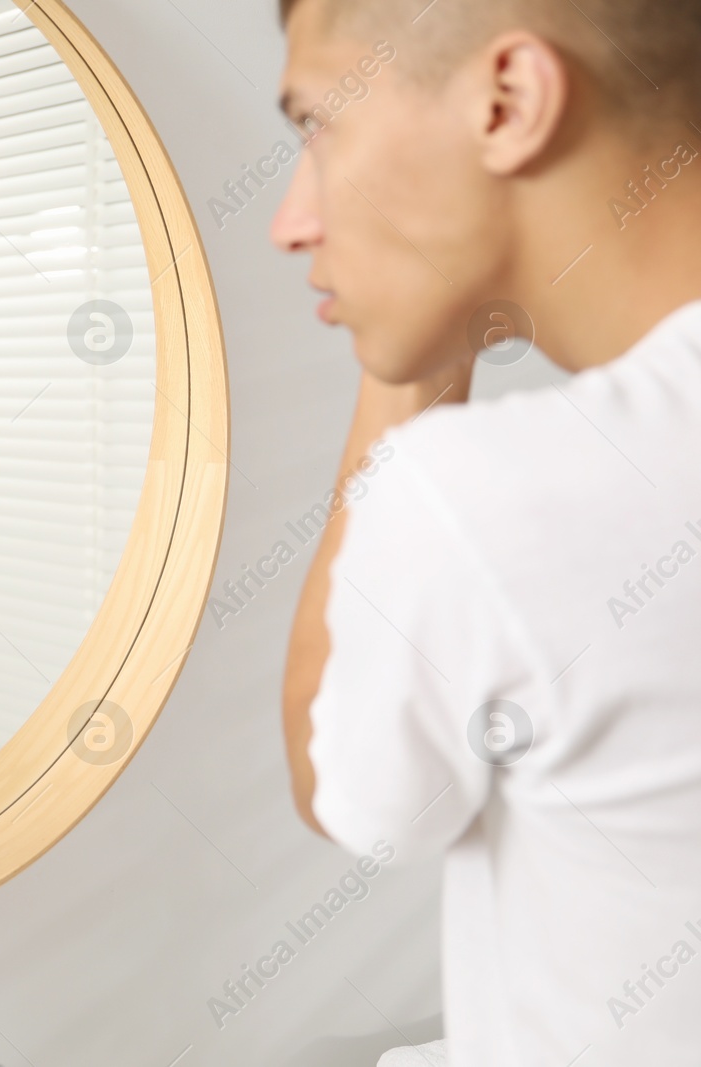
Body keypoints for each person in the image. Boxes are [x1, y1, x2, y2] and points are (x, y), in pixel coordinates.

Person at [271, 0, 701, 1062]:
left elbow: (351, 799)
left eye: (315, 124)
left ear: (507, 101)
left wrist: (410, 360)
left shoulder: (495, 495)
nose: (291, 221)